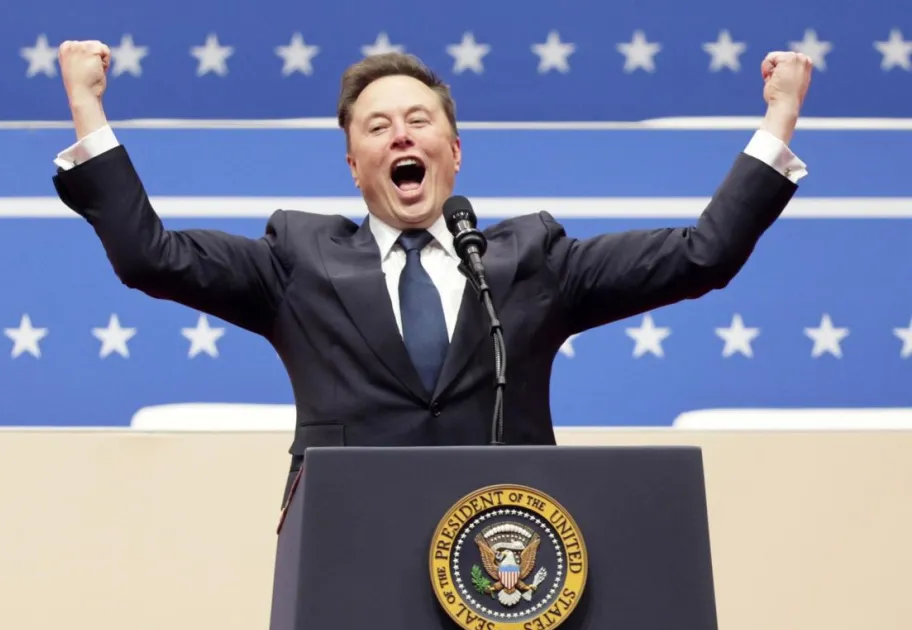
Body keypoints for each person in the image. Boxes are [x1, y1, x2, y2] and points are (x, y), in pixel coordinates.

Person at [52, 43, 813, 504]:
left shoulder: (531, 260)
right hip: (348, 550)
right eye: (377, 127)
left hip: (508, 554)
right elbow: (150, 256)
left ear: (455, 150)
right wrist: (86, 106)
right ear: (354, 167)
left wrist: (778, 117)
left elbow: (699, 254)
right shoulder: (297, 260)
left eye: (419, 121)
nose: (400, 135)